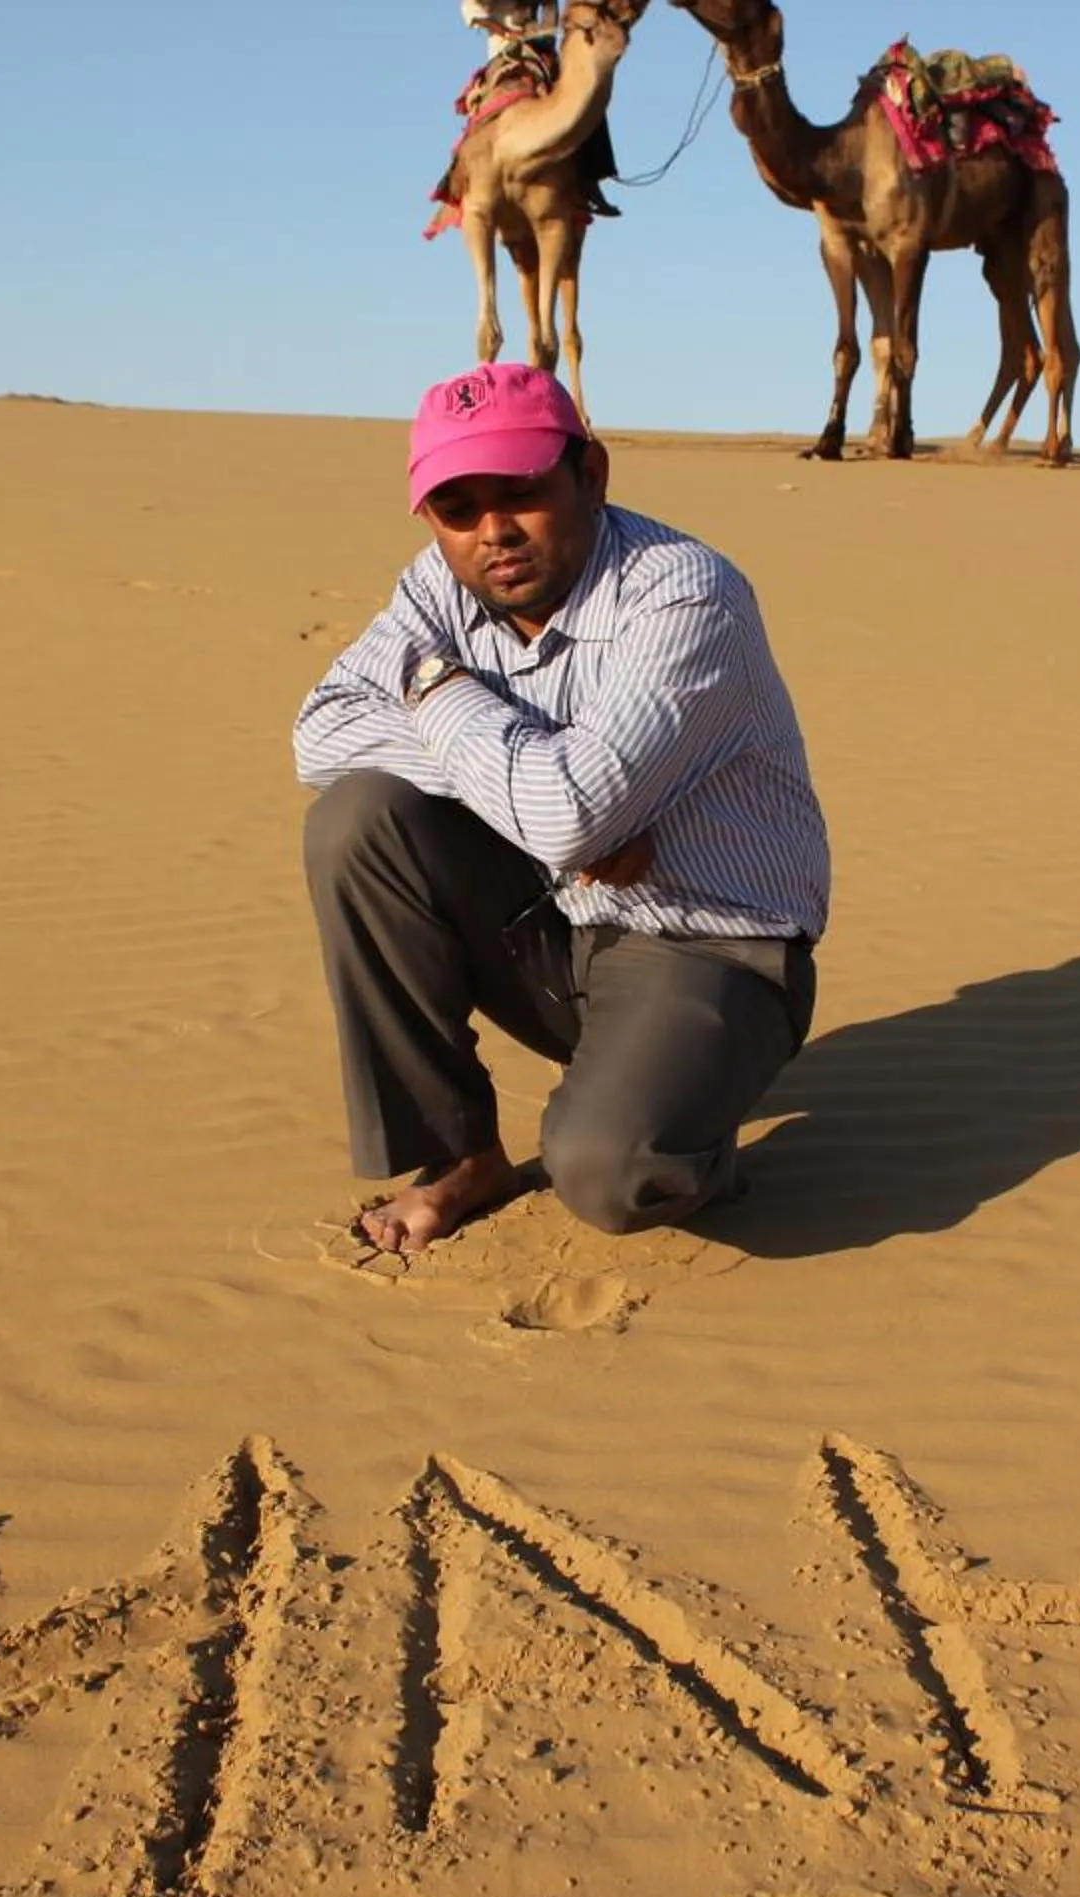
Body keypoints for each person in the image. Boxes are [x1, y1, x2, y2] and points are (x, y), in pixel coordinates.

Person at [293, 363, 830, 1253]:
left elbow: (569, 814)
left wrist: (437, 691)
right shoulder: (438, 586)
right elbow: (320, 734)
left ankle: (686, 1131)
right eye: (457, 508)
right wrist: (545, 792)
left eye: (522, 492)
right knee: (356, 821)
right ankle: (461, 1157)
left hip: (710, 947)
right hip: (551, 919)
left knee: (609, 1174)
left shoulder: (685, 594)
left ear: (592, 475)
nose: (493, 531)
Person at [457, 0, 624, 218]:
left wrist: (548, 32)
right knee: (490, 110)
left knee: (586, 100)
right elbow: (473, 11)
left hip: (542, 52)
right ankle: (467, 180)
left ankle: (592, 177)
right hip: (507, 54)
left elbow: (550, 9)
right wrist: (507, 33)